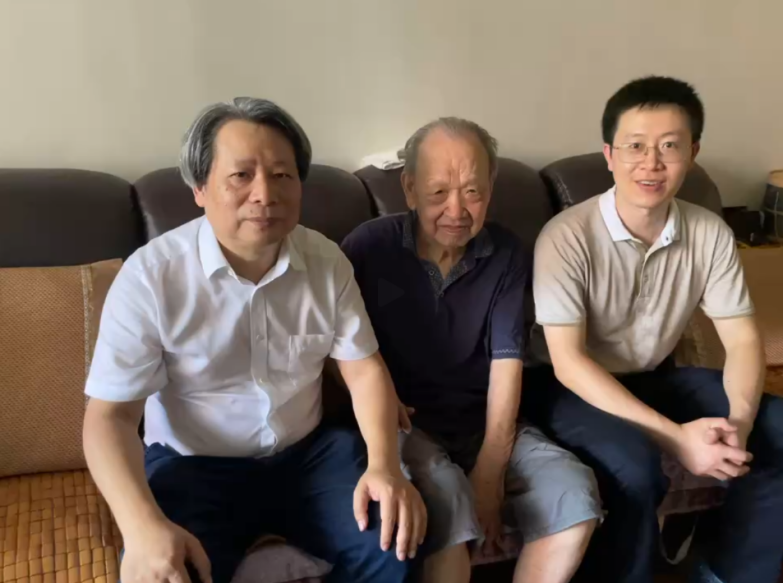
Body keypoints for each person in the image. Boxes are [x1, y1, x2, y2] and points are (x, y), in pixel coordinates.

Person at [82, 97, 427, 583]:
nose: (265, 194)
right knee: (171, 572)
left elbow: (363, 367)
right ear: (199, 188)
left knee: (394, 544)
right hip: (194, 465)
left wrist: (384, 466)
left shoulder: (326, 262)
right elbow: (109, 417)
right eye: (241, 175)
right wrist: (141, 528)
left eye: (283, 175)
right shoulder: (150, 278)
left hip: (309, 457)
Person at [527, 76, 783, 583]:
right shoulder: (566, 236)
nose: (651, 163)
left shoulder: (709, 232)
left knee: (776, 431)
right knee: (635, 468)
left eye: (669, 146)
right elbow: (568, 362)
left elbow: (742, 340)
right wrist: (677, 439)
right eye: (635, 146)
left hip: (655, 377)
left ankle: (727, 572)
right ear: (609, 154)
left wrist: (740, 422)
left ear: (693, 153)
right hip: (567, 388)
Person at [341, 118, 602, 583]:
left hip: (482, 420)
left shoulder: (507, 254)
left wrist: (489, 470)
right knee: (447, 502)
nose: (457, 210)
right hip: (405, 426)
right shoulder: (367, 247)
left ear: (491, 188)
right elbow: (333, 348)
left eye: (473, 192)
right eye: (438, 192)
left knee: (575, 496)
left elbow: (507, 365)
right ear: (409, 188)